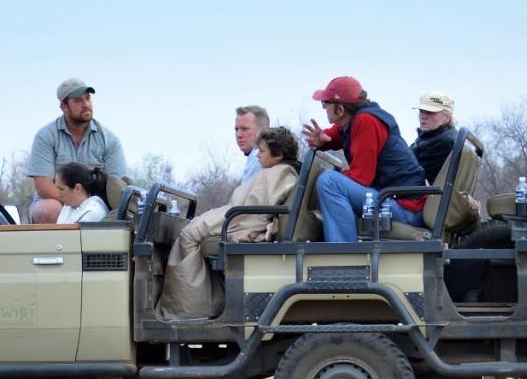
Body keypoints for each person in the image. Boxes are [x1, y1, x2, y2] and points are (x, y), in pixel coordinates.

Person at [156, 127, 301, 320]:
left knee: (188, 236)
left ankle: (185, 310)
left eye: (263, 150)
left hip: (240, 220)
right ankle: (210, 303)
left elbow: (252, 213)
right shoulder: (283, 173)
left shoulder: (275, 175)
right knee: (194, 229)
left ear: (279, 155)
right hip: (238, 216)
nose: (258, 155)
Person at [302, 76, 427, 243]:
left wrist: (339, 175)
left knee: (329, 182)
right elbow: (337, 134)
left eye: (326, 104)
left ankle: (343, 255)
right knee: (334, 181)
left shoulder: (366, 121)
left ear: (340, 109)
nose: (324, 108)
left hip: (405, 208)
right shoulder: (355, 120)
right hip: (393, 200)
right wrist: (323, 139)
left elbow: (362, 177)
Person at [28, 78, 126, 223]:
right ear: (64, 107)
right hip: (57, 201)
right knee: (49, 210)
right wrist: (75, 202)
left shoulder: (110, 140)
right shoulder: (45, 136)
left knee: (109, 214)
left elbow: (117, 187)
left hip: (96, 204)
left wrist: (87, 206)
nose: (85, 104)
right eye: (77, 100)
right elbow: (43, 186)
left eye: (87, 98)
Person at [411, 91, 458, 182]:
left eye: (430, 112)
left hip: (421, 193)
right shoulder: (431, 138)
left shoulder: (444, 143)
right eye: (421, 111)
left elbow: (411, 175)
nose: (423, 117)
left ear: (446, 118)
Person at [235, 105, 270, 184]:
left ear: (262, 130)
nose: (239, 135)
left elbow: (246, 196)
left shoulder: (258, 158)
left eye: (244, 129)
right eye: (236, 129)